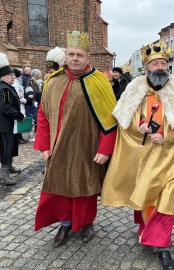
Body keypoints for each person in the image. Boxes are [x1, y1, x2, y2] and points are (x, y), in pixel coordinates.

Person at [101, 40, 174, 270]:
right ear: (146, 68)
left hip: (169, 154)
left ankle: (163, 247)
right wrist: (138, 125)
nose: (160, 67)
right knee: (145, 194)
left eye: (163, 63)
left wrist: (166, 136)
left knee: (165, 198)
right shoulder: (135, 89)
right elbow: (125, 119)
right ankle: (146, 231)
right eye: (155, 64)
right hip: (143, 153)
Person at [33, 30, 117, 248]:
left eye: (80, 55)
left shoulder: (99, 82)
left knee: (85, 187)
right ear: (66, 56)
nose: (75, 59)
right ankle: (65, 223)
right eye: (71, 54)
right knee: (59, 186)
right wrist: (44, 145)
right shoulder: (53, 81)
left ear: (88, 58)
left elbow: (110, 119)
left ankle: (86, 222)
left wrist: (105, 148)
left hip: (87, 146)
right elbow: (43, 115)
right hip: (58, 146)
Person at [0, 51, 25, 185]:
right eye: (10, 75)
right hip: (3, 124)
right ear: (4, 77)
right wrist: (19, 115)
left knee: (11, 145)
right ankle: (3, 173)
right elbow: (5, 107)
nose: (13, 77)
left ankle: (9, 166)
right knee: (6, 147)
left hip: (7, 123)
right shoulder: (5, 89)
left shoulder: (6, 87)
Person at [12, 68, 28, 144]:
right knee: (18, 121)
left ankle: (19, 137)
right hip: (19, 105)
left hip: (21, 104)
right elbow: (17, 97)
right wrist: (26, 101)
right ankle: (18, 137)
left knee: (19, 121)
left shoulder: (18, 83)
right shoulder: (15, 84)